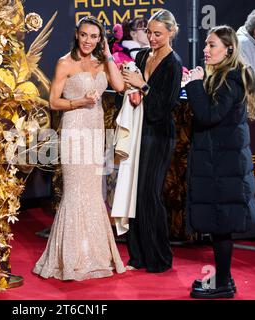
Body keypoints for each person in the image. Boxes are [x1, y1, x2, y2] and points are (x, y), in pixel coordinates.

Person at [32, 16, 126, 281]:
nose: (88, 41)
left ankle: (94, 254)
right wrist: (79, 102)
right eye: (84, 35)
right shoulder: (65, 63)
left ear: (101, 39)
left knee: (94, 191)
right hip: (74, 130)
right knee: (75, 191)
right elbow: (52, 101)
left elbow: (119, 87)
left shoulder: (101, 61)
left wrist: (108, 55)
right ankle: (70, 257)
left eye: (94, 37)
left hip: (96, 131)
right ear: (77, 35)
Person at [185, 25, 255, 299]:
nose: (206, 49)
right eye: (206, 44)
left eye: (212, 45)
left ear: (229, 49)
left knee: (222, 225)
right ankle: (223, 279)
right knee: (219, 226)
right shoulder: (227, 76)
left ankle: (224, 284)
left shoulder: (230, 78)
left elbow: (208, 115)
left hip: (223, 166)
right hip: (220, 163)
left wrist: (193, 84)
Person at [120, 9, 182, 273]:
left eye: (158, 33)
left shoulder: (173, 63)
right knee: (134, 193)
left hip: (158, 135)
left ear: (171, 32)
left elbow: (163, 107)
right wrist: (132, 89)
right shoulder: (144, 54)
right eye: (149, 32)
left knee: (149, 194)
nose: (152, 38)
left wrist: (142, 85)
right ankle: (138, 255)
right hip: (137, 131)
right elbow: (133, 90)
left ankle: (159, 257)